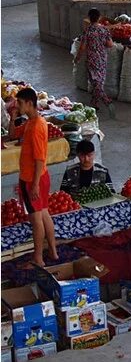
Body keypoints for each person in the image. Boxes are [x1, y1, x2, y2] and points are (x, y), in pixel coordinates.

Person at [16, 87, 59, 267]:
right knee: (44, 213)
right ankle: (53, 253)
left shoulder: (35, 128)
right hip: (41, 177)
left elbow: (40, 158)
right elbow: (12, 134)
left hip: (33, 178)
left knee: (36, 219)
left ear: (29, 103)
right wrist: (12, 118)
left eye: (19, 103)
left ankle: (38, 258)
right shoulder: (33, 122)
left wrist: (33, 185)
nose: (17, 106)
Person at [77, 8, 115, 116]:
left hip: (91, 59)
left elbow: (82, 47)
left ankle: (106, 100)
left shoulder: (87, 31)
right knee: (99, 81)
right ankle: (95, 103)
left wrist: (77, 58)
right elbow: (110, 44)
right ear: (99, 17)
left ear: (89, 18)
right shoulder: (104, 30)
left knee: (95, 82)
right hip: (102, 59)